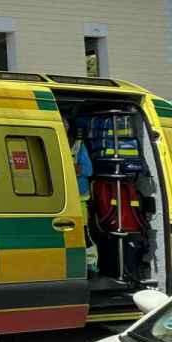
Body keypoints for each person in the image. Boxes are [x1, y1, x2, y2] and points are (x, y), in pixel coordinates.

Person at [66, 116, 97, 273]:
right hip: (63, 201)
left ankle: (91, 266)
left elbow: (89, 171)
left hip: (79, 200)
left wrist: (75, 168)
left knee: (83, 234)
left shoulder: (78, 146)